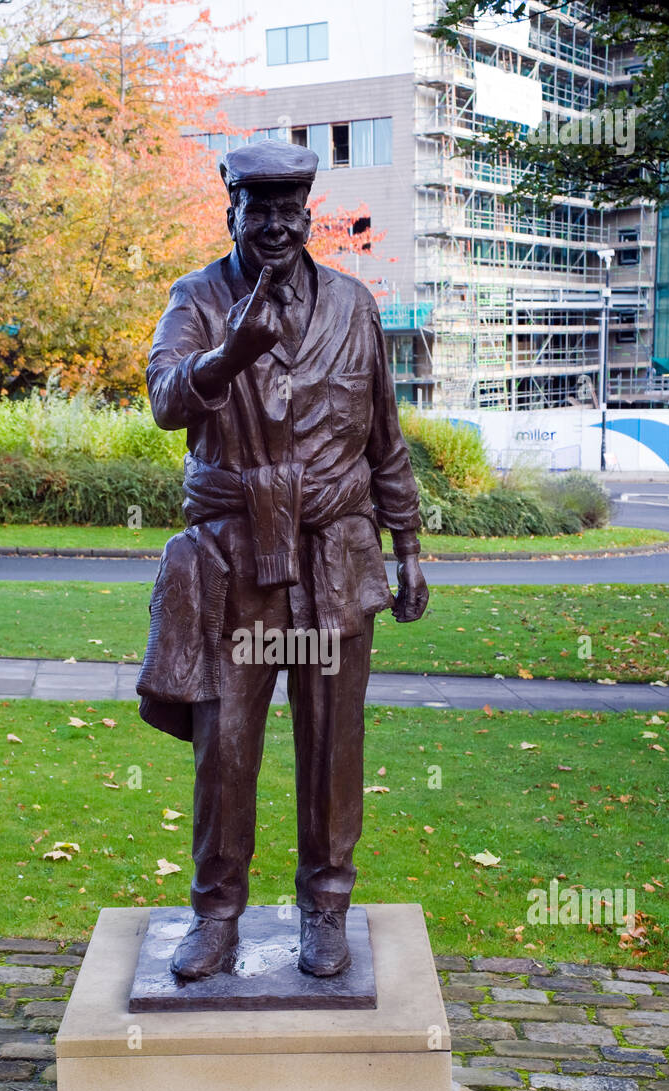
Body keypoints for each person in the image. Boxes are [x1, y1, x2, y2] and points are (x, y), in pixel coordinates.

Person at [137, 139, 428, 982]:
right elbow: (164, 399)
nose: (271, 225)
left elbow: (384, 436)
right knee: (225, 745)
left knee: (333, 743)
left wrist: (408, 546)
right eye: (254, 209)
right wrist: (230, 351)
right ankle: (217, 914)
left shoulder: (351, 305)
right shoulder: (195, 298)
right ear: (230, 212)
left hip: (336, 556)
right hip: (236, 562)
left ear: (307, 217)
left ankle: (326, 906)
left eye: (286, 211)